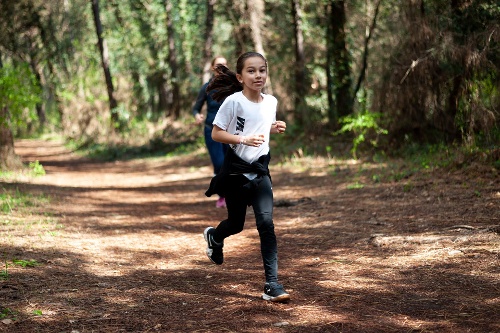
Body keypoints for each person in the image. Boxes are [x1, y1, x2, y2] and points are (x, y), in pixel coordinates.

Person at [203, 52, 289, 303]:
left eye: (262, 70)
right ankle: (215, 237)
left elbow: (261, 125)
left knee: (266, 225)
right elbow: (218, 134)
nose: (258, 75)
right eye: (251, 71)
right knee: (237, 224)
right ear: (240, 77)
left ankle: (272, 284)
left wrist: (275, 127)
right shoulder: (233, 102)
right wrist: (242, 139)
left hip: (260, 172)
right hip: (236, 173)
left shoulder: (271, 101)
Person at [192, 56, 229, 208]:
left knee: (229, 164)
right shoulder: (206, 87)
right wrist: (197, 115)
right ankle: (222, 196)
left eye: (225, 64)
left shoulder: (233, 86)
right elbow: (196, 107)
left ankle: (229, 195)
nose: (222, 67)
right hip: (211, 130)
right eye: (219, 64)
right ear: (213, 68)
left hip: (230, 131)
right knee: (219, 163)